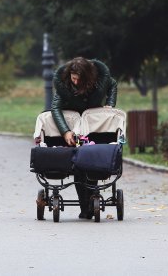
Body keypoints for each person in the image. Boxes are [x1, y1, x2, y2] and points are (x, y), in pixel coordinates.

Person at [50, 57, 118, 219]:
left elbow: (113, 84)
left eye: (80, 79)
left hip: (93, 126)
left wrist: (110, 103)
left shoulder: (100, 81)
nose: (76, 82)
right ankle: (85, 206)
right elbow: (55, 107)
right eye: (74, 78)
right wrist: (65, 131)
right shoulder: (65, 85)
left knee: (92, 163)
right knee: (78, 167)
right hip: (73, 128)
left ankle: (90, 202)